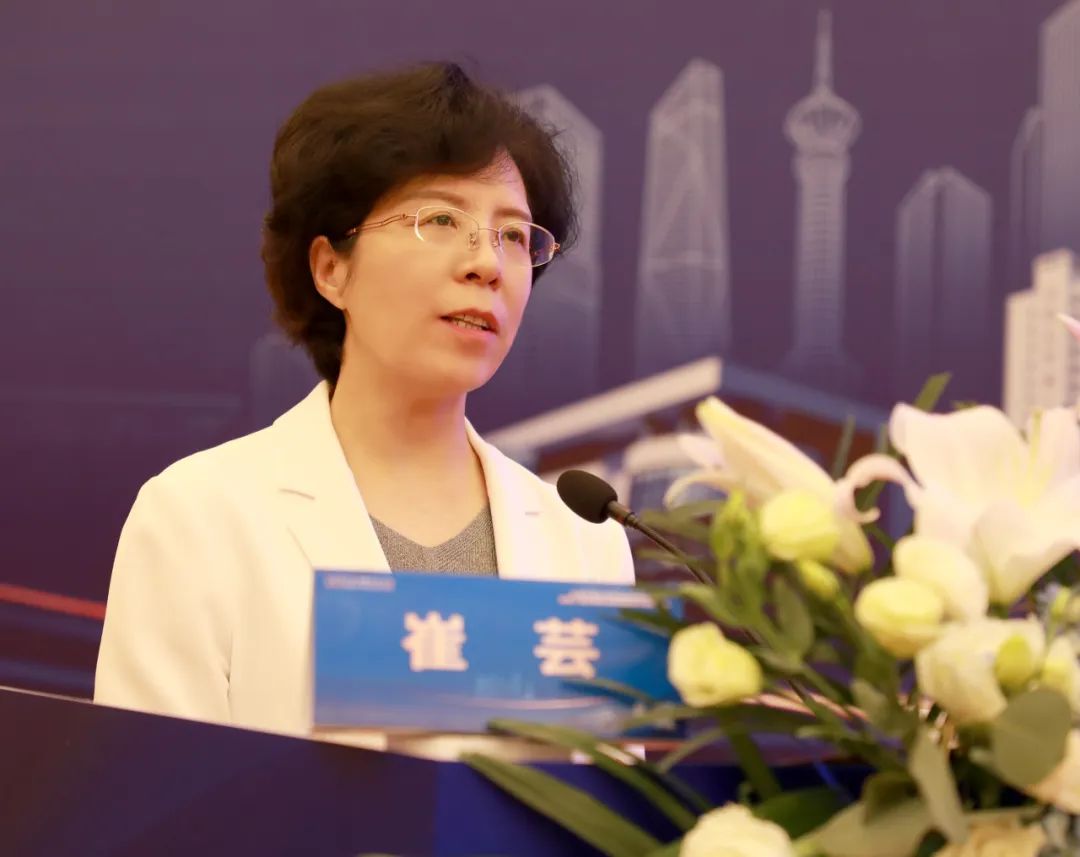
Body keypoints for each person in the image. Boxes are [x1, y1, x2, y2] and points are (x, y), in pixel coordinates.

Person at [93, 62, 635, 736]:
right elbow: (150, 794)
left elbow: (612, 792)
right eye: (441, 219)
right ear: (331, 269)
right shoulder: (198, 516)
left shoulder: (584, 541)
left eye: (515, 236)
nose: (487, 263)